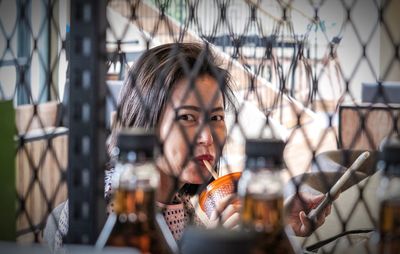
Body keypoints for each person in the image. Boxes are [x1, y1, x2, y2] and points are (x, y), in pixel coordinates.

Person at [45, 42, 331, 251]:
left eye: (216, 117)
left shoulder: (187, 212)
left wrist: (272, 225)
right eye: (187, 117)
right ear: (146, 123)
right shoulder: (97, 213)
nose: (207, 137)